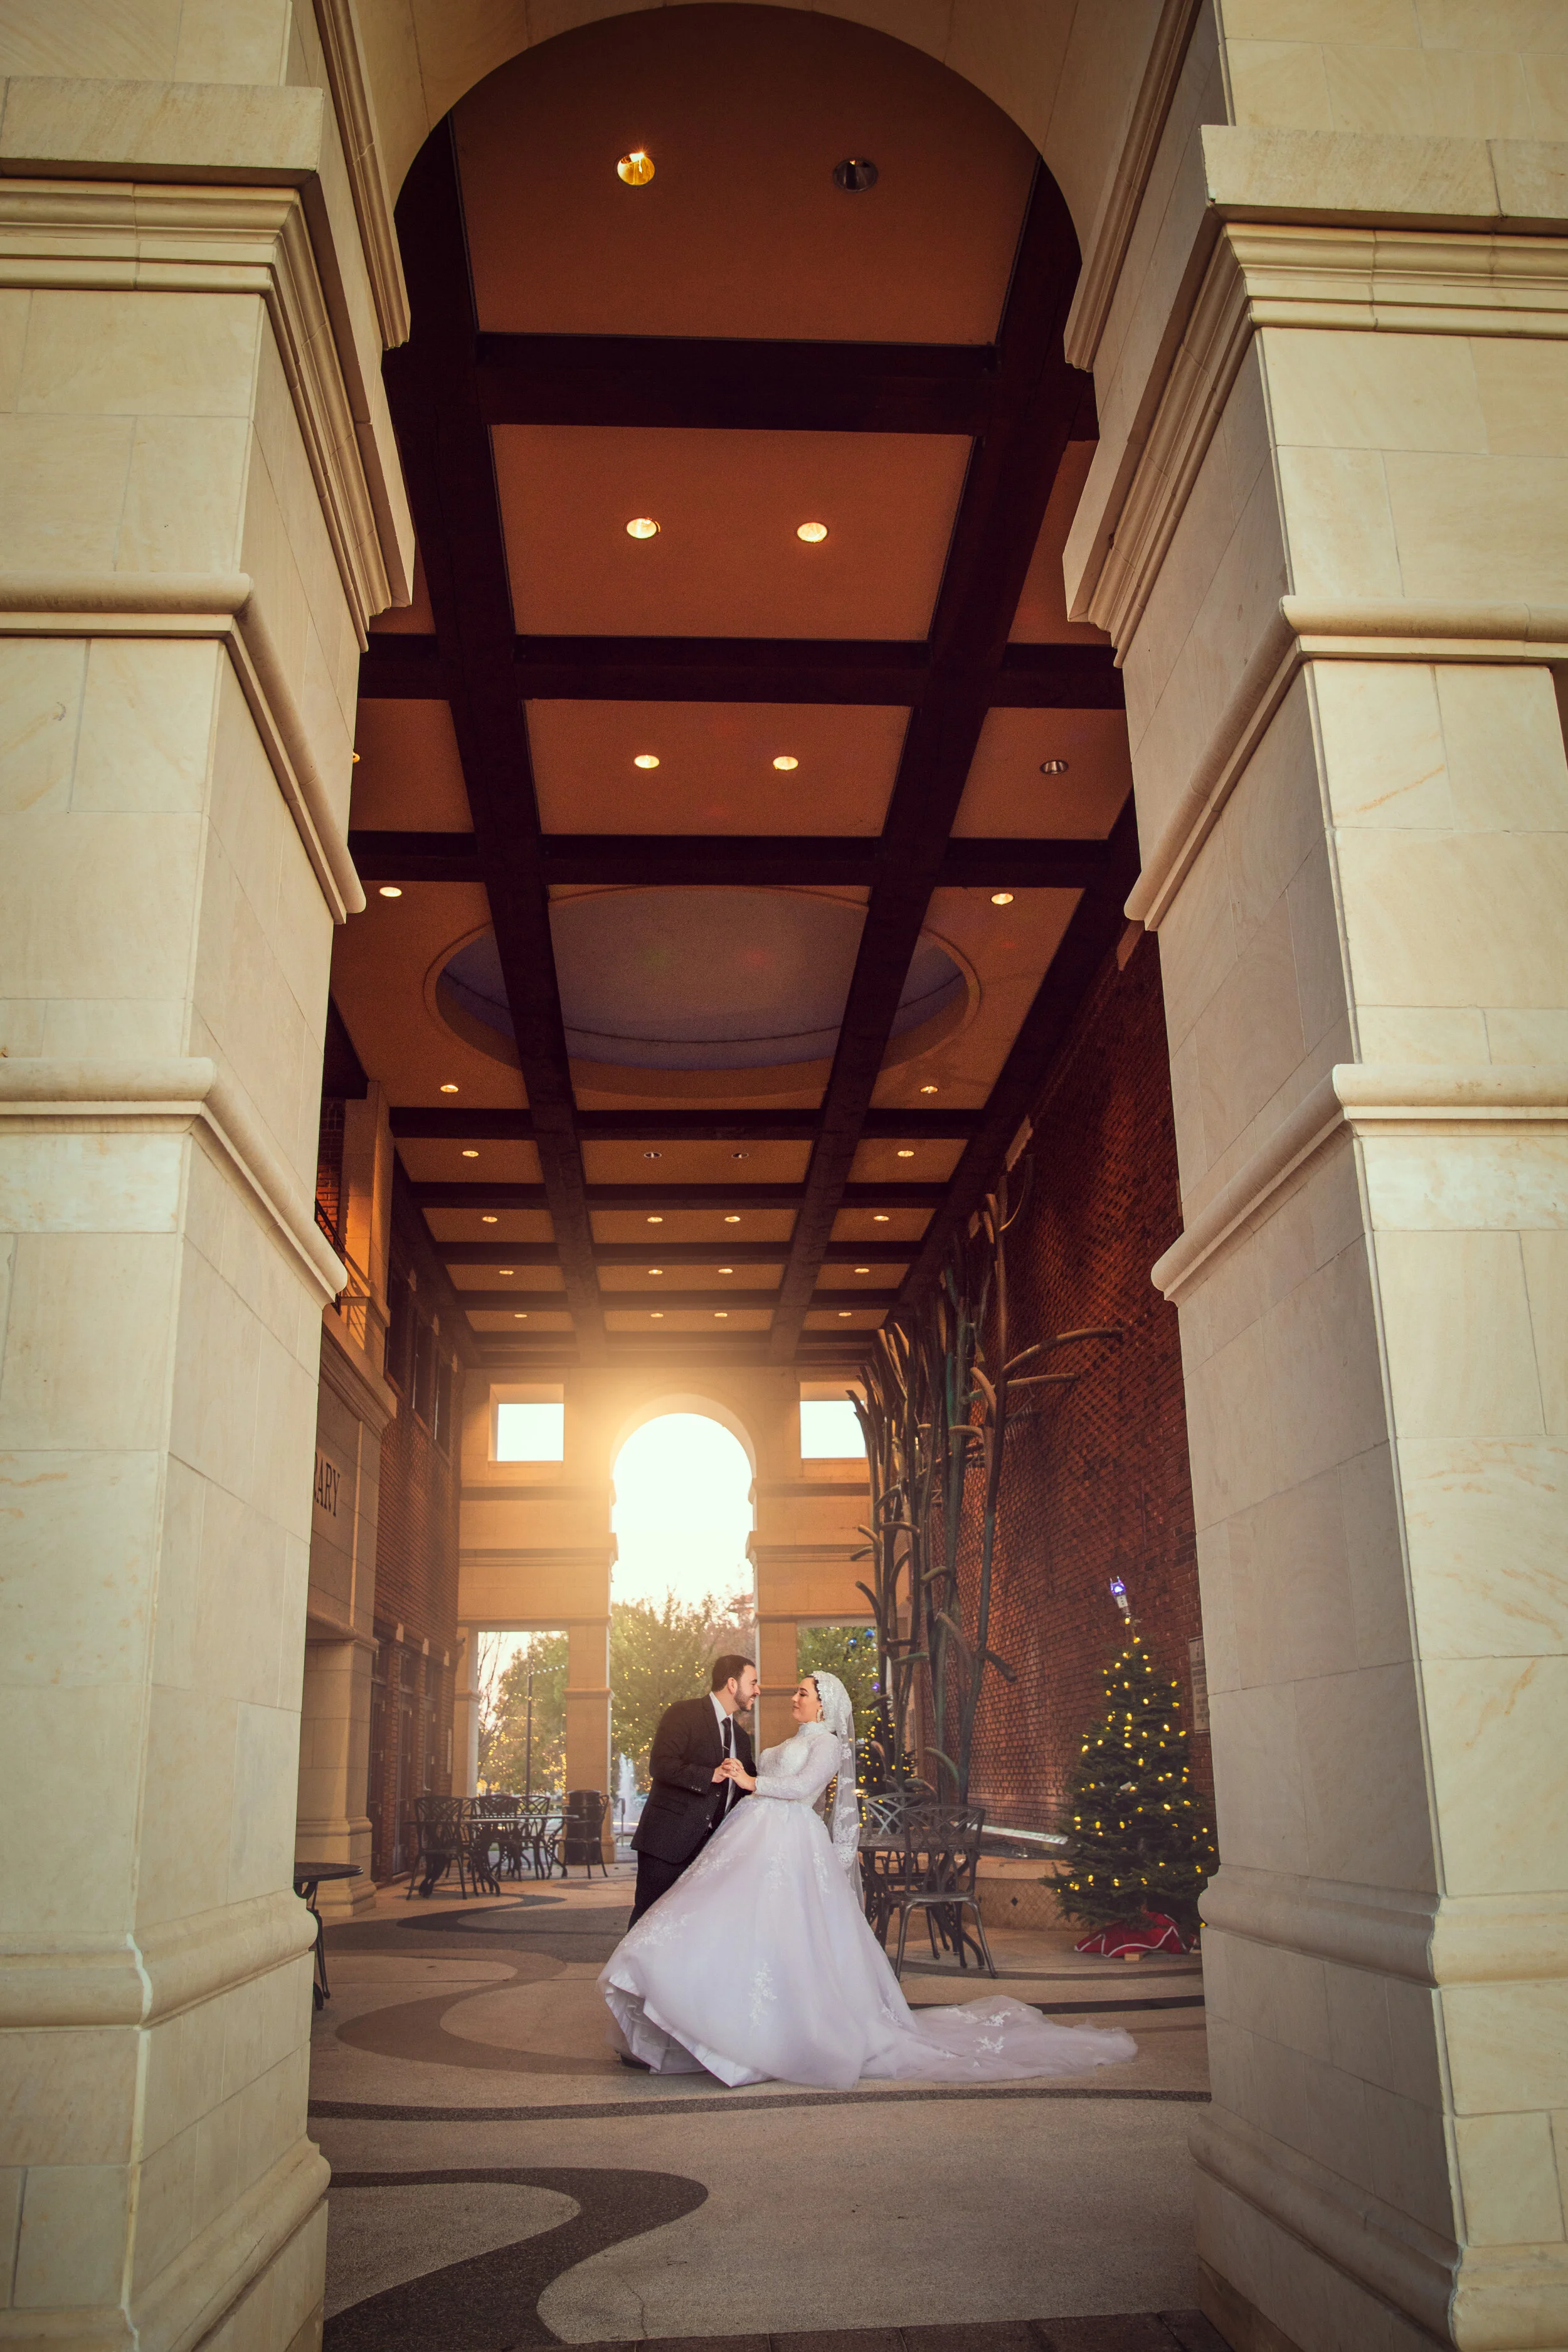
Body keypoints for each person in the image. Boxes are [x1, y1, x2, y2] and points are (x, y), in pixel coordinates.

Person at [601, 1669, 1137, 2090]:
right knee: (722, 1923)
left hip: (788, 1841)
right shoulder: (785, 1738)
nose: (795, 1697)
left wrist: (751, 1778)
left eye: (805, 1692)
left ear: (825, 1703)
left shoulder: (828, 1744)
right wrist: (738, 1779)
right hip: (752, 1834)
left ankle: (765, 2036)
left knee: (780, 1936)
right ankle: (695, 2022)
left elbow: (802, 1787)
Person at [627, 1653, 759, 1927]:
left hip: (712, 1852)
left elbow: (749, 1787)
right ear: (733, 1684)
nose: (757, 1690)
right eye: (753, 1683)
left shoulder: (742, 1739)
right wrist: (710, 1774)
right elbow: (660, 1765)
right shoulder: (683, 1713)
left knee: (692, 1930)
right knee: (648, 1924)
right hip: (667, 1843)